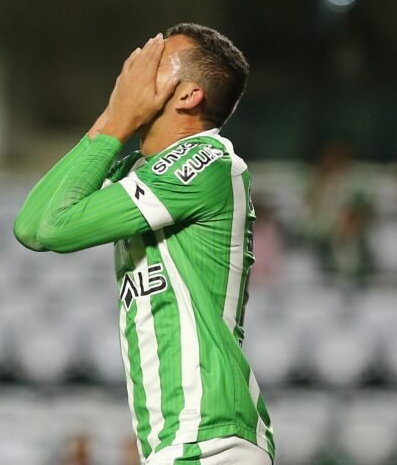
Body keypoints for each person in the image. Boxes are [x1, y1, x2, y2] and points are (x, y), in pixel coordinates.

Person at [15, 23, 274, 464]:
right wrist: (108, 123)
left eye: (154, 65)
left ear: (188, 95)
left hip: (210, 437)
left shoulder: (210, 160)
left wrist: (118, 119)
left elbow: (56, 228)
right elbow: (32, 227)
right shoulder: (140, 171)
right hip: (179, 441)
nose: (133, 72)